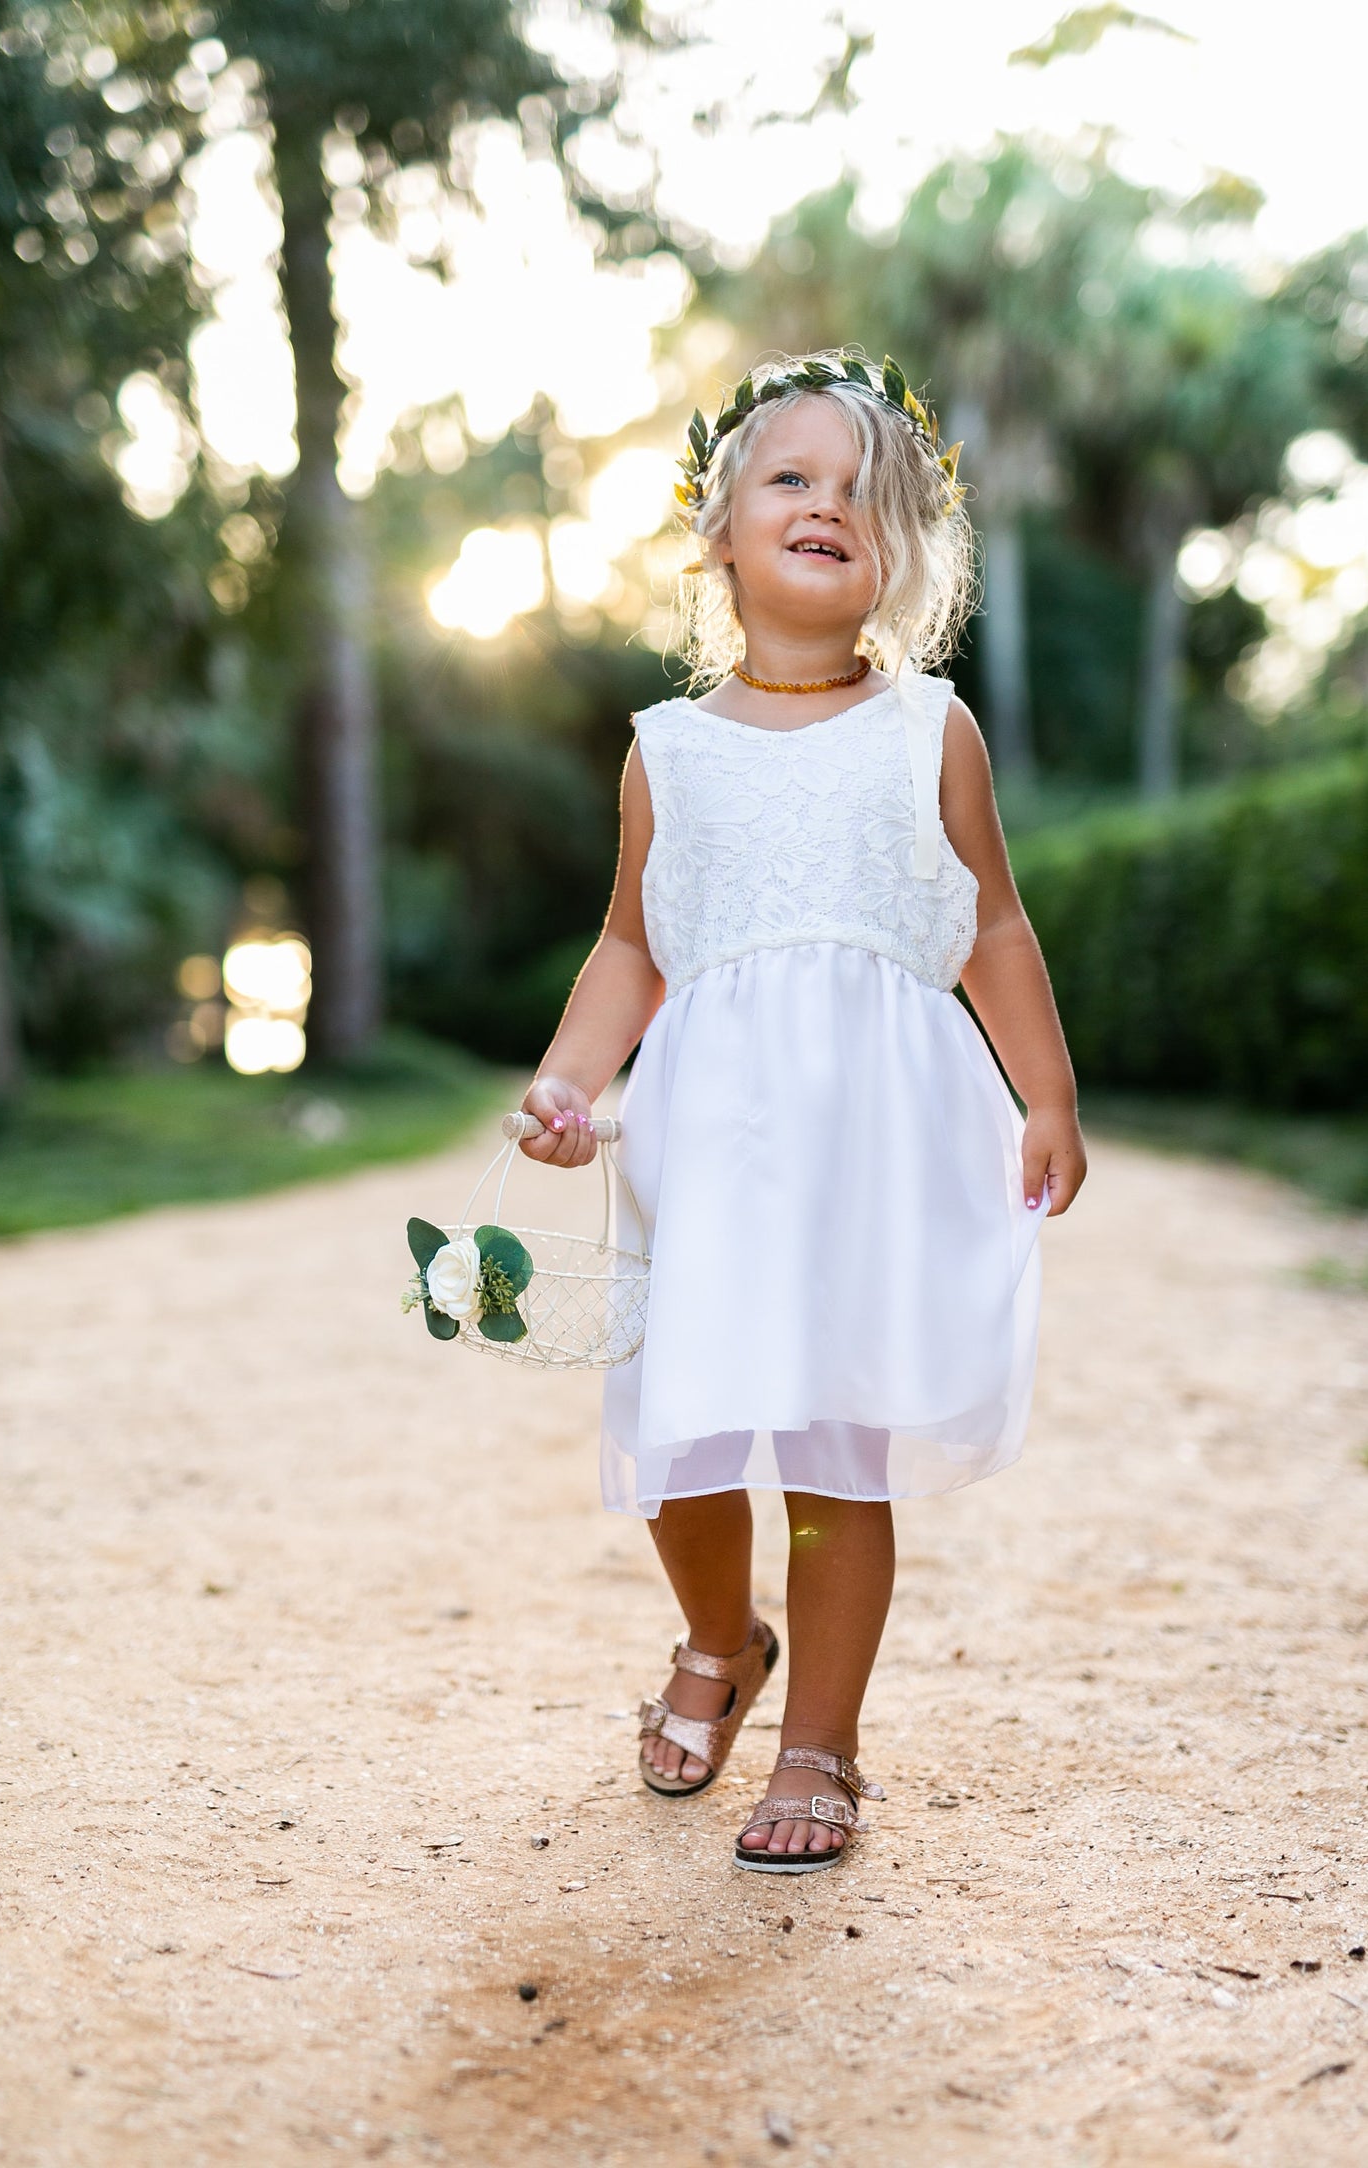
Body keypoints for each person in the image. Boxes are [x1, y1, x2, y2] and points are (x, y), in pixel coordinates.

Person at [519, 349, 1087, 1874]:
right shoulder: (668, 750)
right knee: (684, 1442)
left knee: (840, 1449)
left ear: (902, 556)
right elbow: (632, 942)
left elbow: (996, 931)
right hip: (709, 1148)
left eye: (866, 494)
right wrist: (572, 1077)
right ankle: (719, 1636)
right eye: (792, 477)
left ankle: (820, 1740)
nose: (829, 505)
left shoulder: (930, 734)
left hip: (872, 1149)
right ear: (716, 528)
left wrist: (1046, 1092)